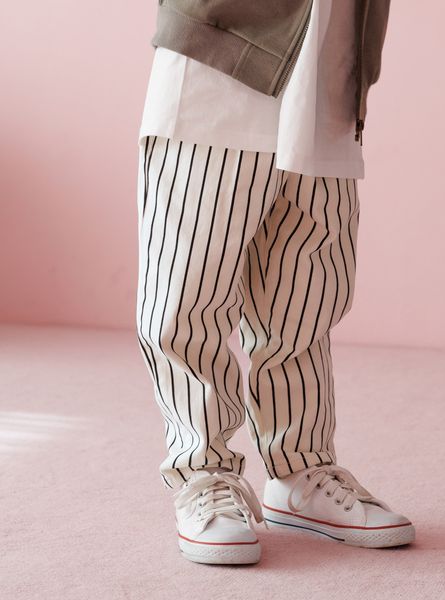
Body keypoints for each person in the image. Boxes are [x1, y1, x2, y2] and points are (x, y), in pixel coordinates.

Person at [135, 0, 415, 565]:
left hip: (332, 60)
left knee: (305, 296)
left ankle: (300, 471)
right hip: (218, 54)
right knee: (187, 293)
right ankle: (203, 472)